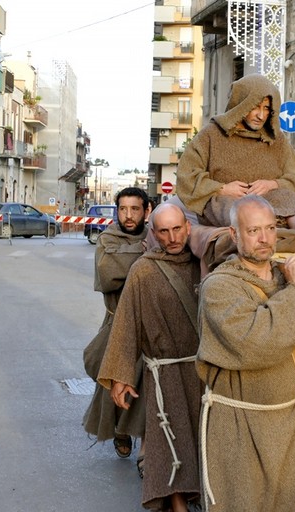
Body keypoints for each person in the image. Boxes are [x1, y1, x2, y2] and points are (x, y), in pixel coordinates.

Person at [196, 195, 295, 511]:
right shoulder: (219, 287)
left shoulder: (289, 280)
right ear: (234, 235)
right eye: (253, 230)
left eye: (271, 228)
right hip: (239, 429)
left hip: (291, 425)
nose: (265, 238)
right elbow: (257, 343)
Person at [97, 203, 203, 512]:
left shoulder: (203, 264)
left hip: (200, 370)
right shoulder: (143, 270)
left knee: (198, 439)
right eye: (164, 231)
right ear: (154, 234)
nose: (172, 238)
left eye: (177, 229)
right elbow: (127, 323)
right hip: (165, 374)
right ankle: (176, 502)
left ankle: (193, 496)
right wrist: (121, 376)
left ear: (188, 227)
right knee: (168, 438)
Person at [175, 73, 295, 230]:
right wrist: (222, 188)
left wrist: (272, 184)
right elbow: (187, 176)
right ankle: (251, 227)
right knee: (227, 206)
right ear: (241, 104)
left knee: (285, 196)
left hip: (267, 201)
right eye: (255, 107)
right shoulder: (212, 134)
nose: (261, 115)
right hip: (227, 200)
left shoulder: (276, 139)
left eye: (266, 108)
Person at [82, 187, 150, 468]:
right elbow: (109, 272)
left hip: (149, 324)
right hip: (117, 324)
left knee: (146, 384)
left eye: (135, 209)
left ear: (147, 211)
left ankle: (139, 437)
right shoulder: (108, 238)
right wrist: (145, 253)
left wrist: (136, 253)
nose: (129, 215)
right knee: (114, 379)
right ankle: (119, 432)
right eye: (123, 209)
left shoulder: (156, 235)